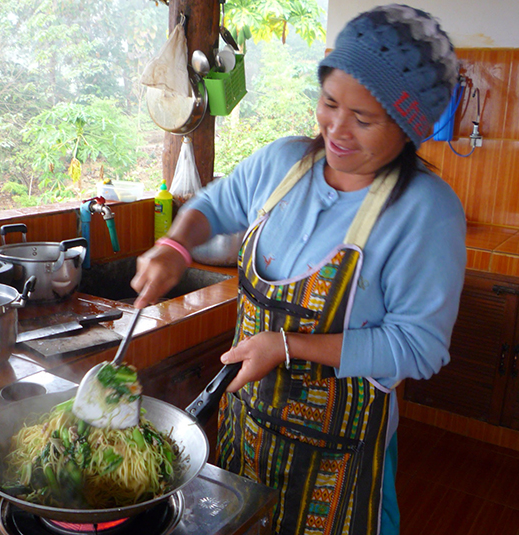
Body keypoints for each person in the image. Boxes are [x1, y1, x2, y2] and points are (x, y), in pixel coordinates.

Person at [131, 4, 466, 534]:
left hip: (338, 459)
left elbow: (419, 346)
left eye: (365, 118)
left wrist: (289, 347)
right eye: (330, 103)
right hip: (246, 432)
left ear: (406, 126)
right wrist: (176, 247)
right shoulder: (284, 162)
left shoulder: (426, 211)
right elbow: (215, 204)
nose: (338, 128)